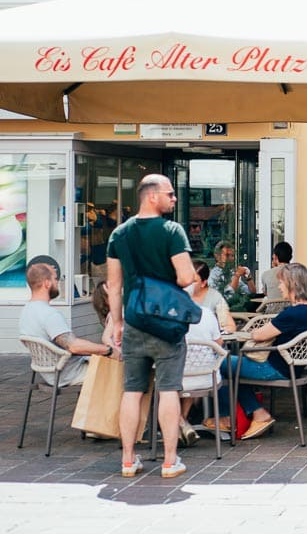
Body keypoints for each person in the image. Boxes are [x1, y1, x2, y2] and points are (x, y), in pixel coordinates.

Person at [106, 173, 197, 479]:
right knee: (169, 389)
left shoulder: (119, 234)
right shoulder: (172, 231)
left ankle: (128, 460)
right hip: (166, 325)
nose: (174, 199)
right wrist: (185, 278)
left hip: (134, 321)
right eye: (170, 194)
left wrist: (117, 322)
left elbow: (113, 284)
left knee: (132, 390)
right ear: (151, 196)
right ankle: (170, 461)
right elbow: (185, 277)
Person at [203, 263, 307, 441]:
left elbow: (259, 335)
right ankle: (252, 413)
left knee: (218, 363)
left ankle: (231, 417)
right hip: (294, 367)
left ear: (291, 284)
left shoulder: (292, 314)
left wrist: (249, 333)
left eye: (281, 282)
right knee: (234, 368)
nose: (279, 287)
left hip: (274, 367)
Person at [19, 262, 118, 388]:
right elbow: (74, 346)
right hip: (70, 374)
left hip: (50, 373)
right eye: (55, 279)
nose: (58, 283)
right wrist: (109, 350)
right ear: (47, 283)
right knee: (124, 370)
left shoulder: (26, 311)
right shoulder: (50, 314)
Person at [178, 295, 224, 448]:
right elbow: (219, 343)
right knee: (192, 370)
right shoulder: (206, 313)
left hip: (177, 378)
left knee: (162, 380)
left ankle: (180, 422)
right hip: (206, 377)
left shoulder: (166, 315)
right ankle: (183, 424)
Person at [188, 261, 236, 334]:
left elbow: (229, 326)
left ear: (203, 283)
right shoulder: (180, 295)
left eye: (193, 281)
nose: (188, 283)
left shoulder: (215, 298)